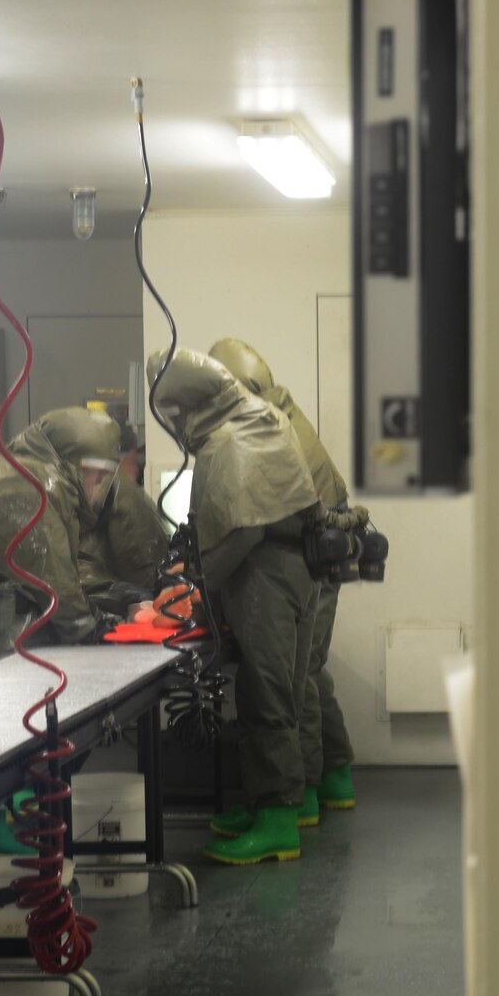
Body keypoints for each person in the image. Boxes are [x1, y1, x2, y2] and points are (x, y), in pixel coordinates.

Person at [146, 348, 325, 865]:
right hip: (290, 573)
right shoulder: (257, 417)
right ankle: (270, 805)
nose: (175, 429)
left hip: (267, 576)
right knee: (269, 689)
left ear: (187, 404)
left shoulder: (231, 436)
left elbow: (245, 528)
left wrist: (195, 589)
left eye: (173, 416)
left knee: (268, 694)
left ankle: (276, 822)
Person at [208, 337, 362, 818]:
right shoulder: (284, 412)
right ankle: (328, 779)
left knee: (292, 683)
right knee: (307, 674)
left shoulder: (264, 428)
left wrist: (205, 574)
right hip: (322, 557)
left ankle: (304, 796)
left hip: (305, 560)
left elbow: (255, 519)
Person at [0, 406, 170, 673]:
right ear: (76, 464)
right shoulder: (37, 487)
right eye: (95, 474)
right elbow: (56, 585)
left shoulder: (21, 471)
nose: (98, 483)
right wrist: (99, 628)